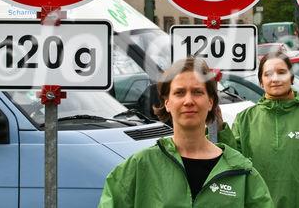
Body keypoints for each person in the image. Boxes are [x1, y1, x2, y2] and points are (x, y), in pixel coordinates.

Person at [98, 57, 273, 208]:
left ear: (210, 102)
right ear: (167, 102)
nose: (188, 101)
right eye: (180, 92)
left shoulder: (241, 173)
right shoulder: (139, 167)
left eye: (197, 92)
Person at [219, 51, 299, 208]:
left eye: (282, 73)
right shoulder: (245, 120)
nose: (275, 79)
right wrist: (220, 129)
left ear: (291, 78)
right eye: (268, 74)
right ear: (261, 82)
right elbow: (232, 164)